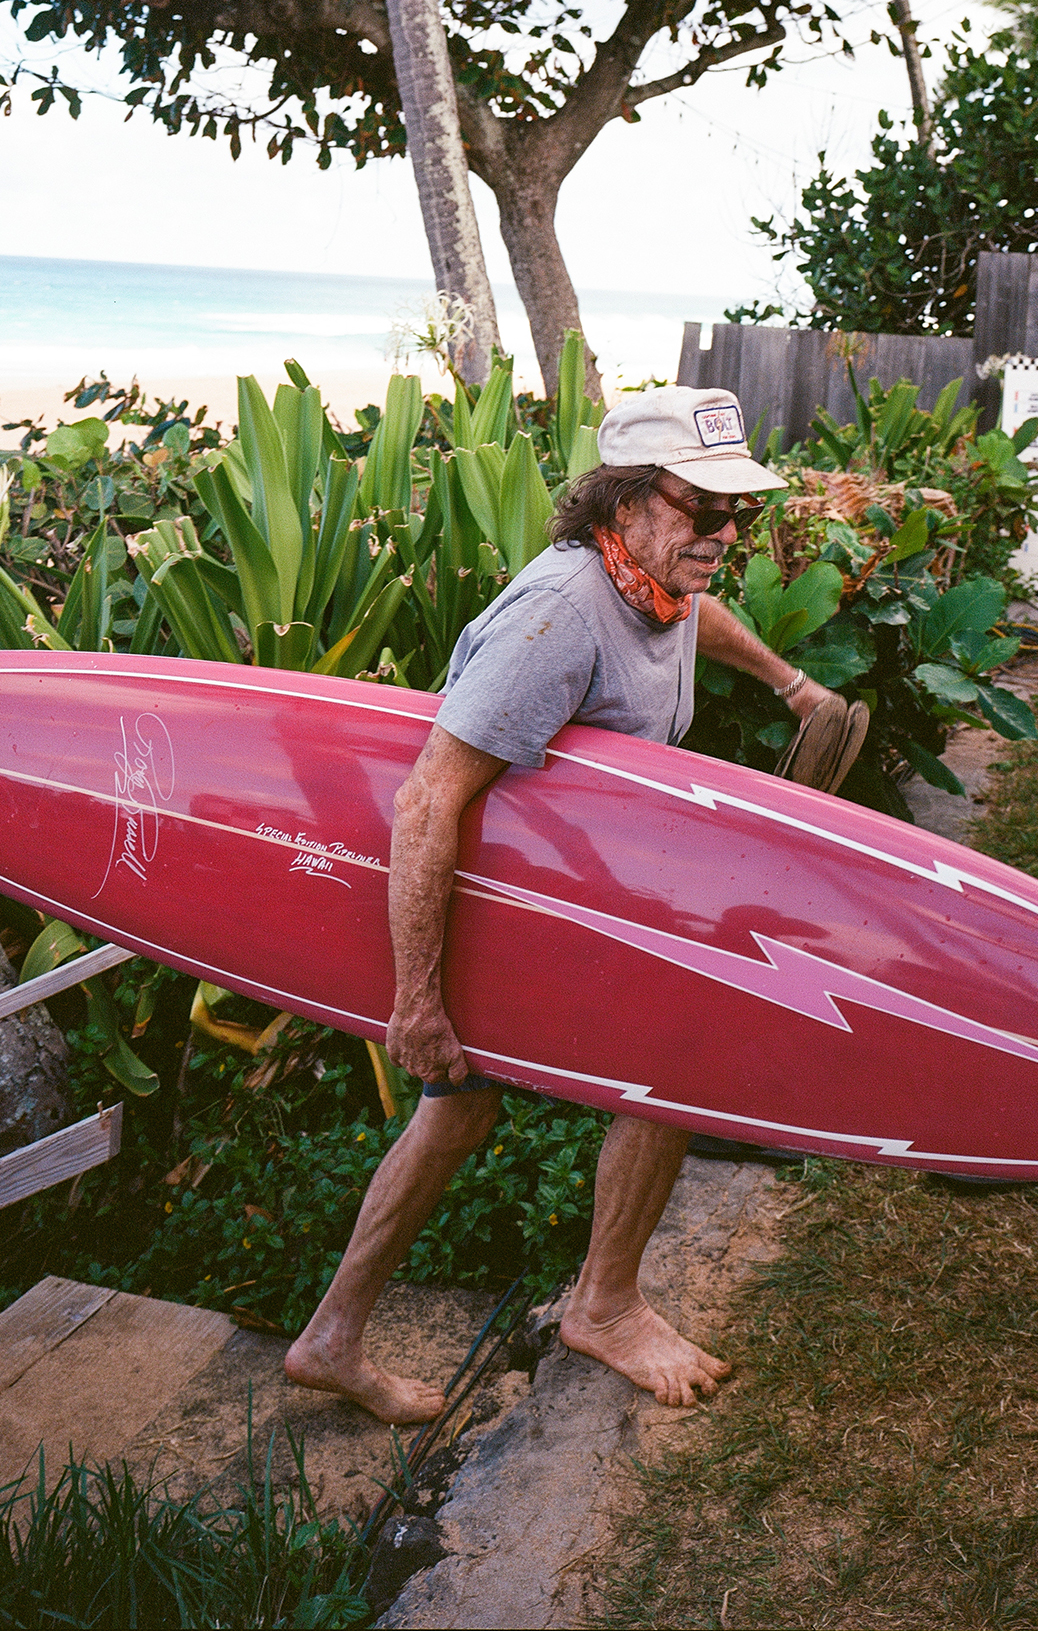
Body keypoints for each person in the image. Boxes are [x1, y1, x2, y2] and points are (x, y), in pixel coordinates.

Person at [284, 386, 843, 1420]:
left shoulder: (654, 580)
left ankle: (331, 1337)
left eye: (739, 512)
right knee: (671, 1064)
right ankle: (604, 1306)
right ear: (623, 502)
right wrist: (417, 997)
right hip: (495, 903)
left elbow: (695, 618)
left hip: (569, 892)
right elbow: (425, 801)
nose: (726, 534)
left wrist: (790, 682)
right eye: (703, 507)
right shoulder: (559, 619)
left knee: (460, 1113)